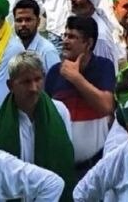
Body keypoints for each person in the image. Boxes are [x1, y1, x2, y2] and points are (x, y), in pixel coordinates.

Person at [0, 51, 75, 198]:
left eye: (38, 79)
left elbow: (66, 158)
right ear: (10, 85)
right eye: (26, 82)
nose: (33, 88)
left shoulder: (60, 112)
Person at [44, 16, 115, 177]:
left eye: (73, 37)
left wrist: (76, 79)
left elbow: (106, 106)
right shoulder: (55, 72)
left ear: (88, 43)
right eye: (65, 35)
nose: (65, 41)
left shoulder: (103, 67)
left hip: (95, 167)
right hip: (61, 169)